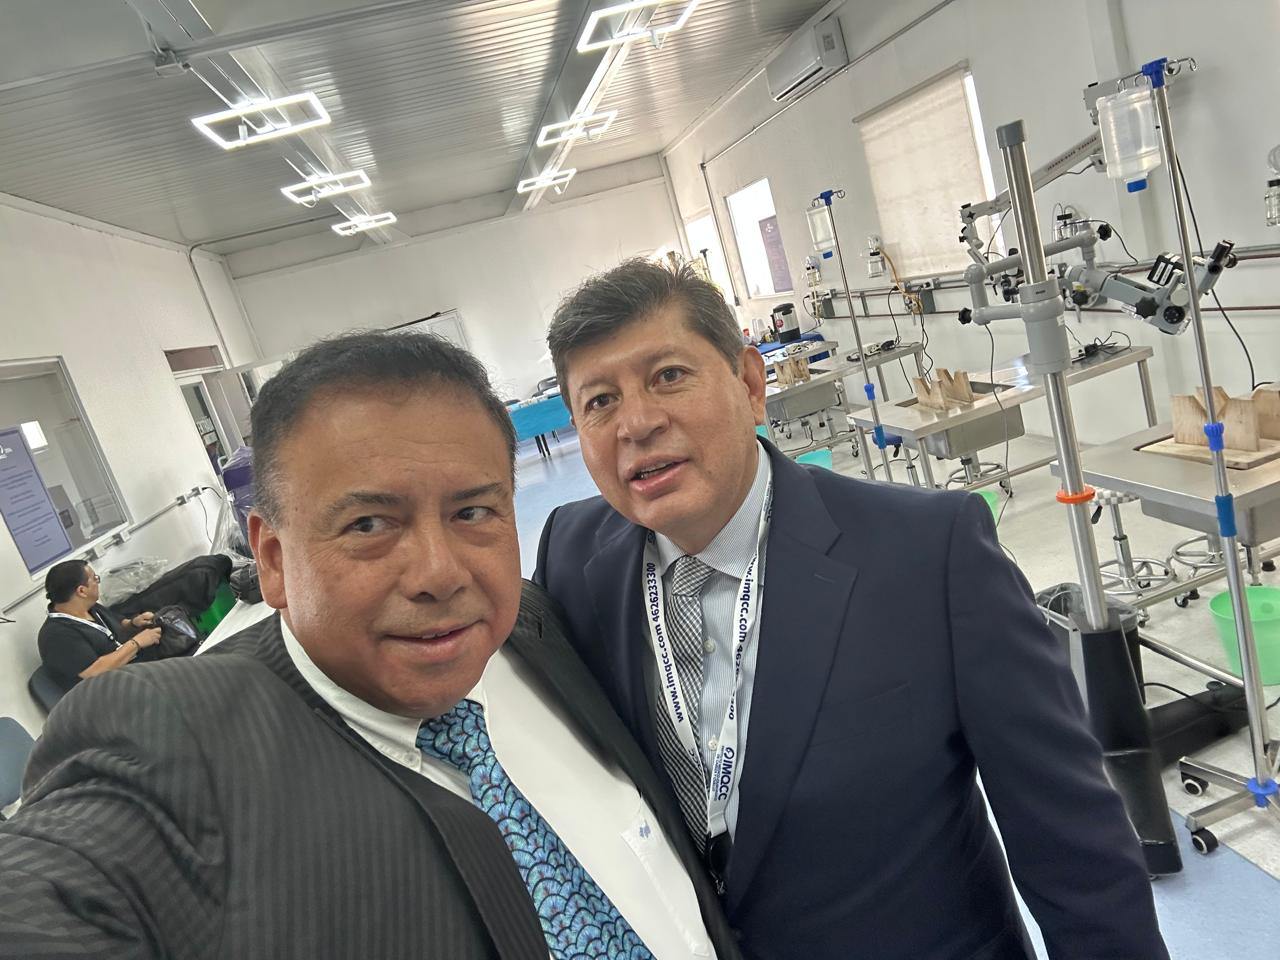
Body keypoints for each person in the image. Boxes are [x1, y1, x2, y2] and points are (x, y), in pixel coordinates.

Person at [0, 331, 737, 960]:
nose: (439, 574)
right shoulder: (176, 740)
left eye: (473, 512)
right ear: (273, 559)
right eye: (368, 525)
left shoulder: (536, 624)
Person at [534, 258, 1169, 960]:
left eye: (668, 376)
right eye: (600, 401)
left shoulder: (930, 556)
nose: (637, 423)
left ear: (749, 383)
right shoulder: (572, 558)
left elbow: (1074, 846)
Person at [37, 558, 162, 690]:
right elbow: (94, 672)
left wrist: (134, 623)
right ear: (82, 591)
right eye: (95, 578)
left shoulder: (90, 607)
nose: (98, 582)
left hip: (136, 669)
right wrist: (136, 643)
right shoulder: (57, 635)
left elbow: (119, 625)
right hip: (114, 690)